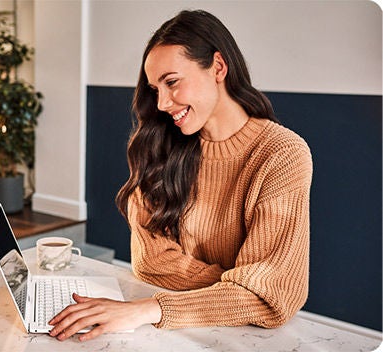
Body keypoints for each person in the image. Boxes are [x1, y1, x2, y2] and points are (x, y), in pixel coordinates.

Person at [49, 10, 313, 341]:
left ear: (218, 67)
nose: (161, 103)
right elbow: (151, 264)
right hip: (177, 333)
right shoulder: (164, 147)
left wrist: (148, 308)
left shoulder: (281, 154)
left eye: (172, 82)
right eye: (155, 88)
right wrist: (237, 288)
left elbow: (273, 295)